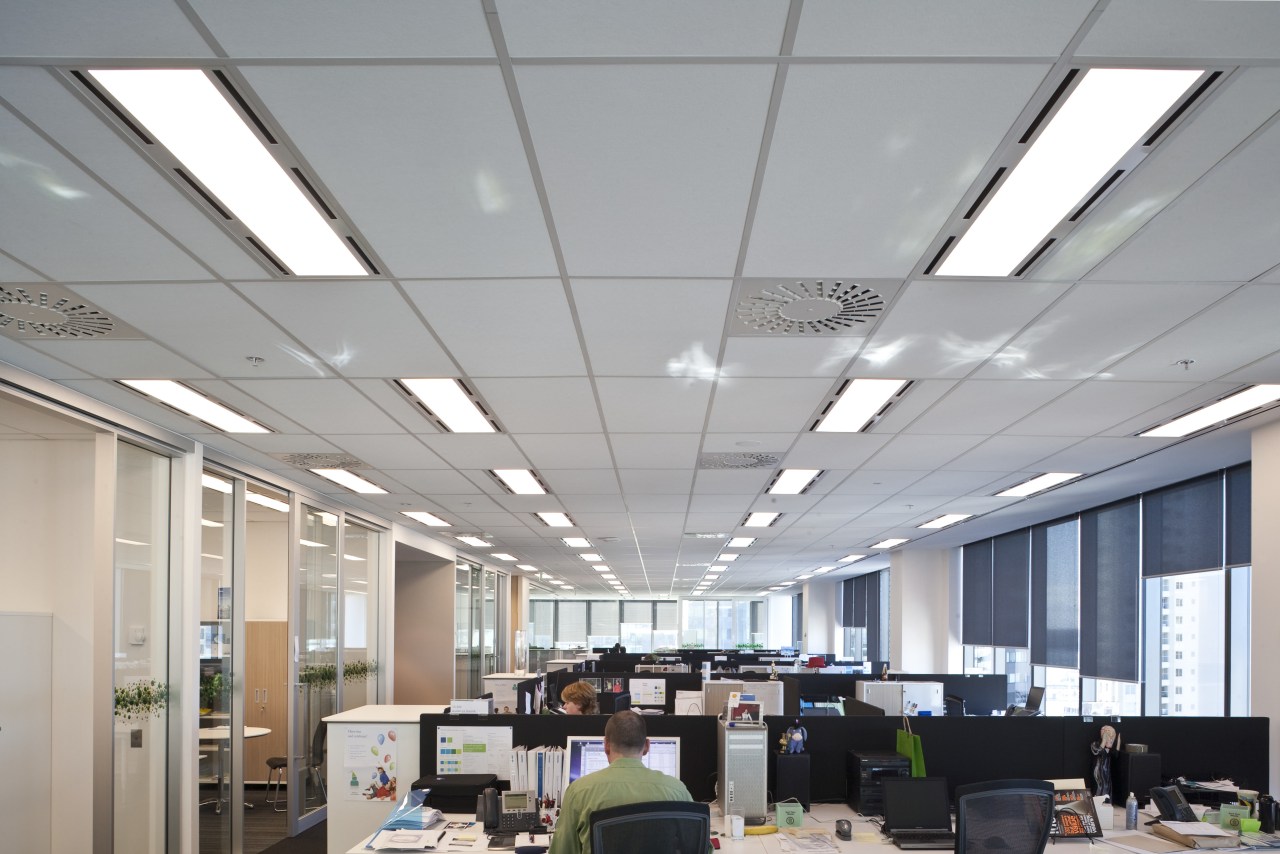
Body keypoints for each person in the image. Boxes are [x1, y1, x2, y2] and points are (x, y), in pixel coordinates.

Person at [548, 710, 692, 854]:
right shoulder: (677, 790)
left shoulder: (579, 791)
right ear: (647, 746)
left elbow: (563, 850)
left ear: (606, 745)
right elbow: (701, 846)